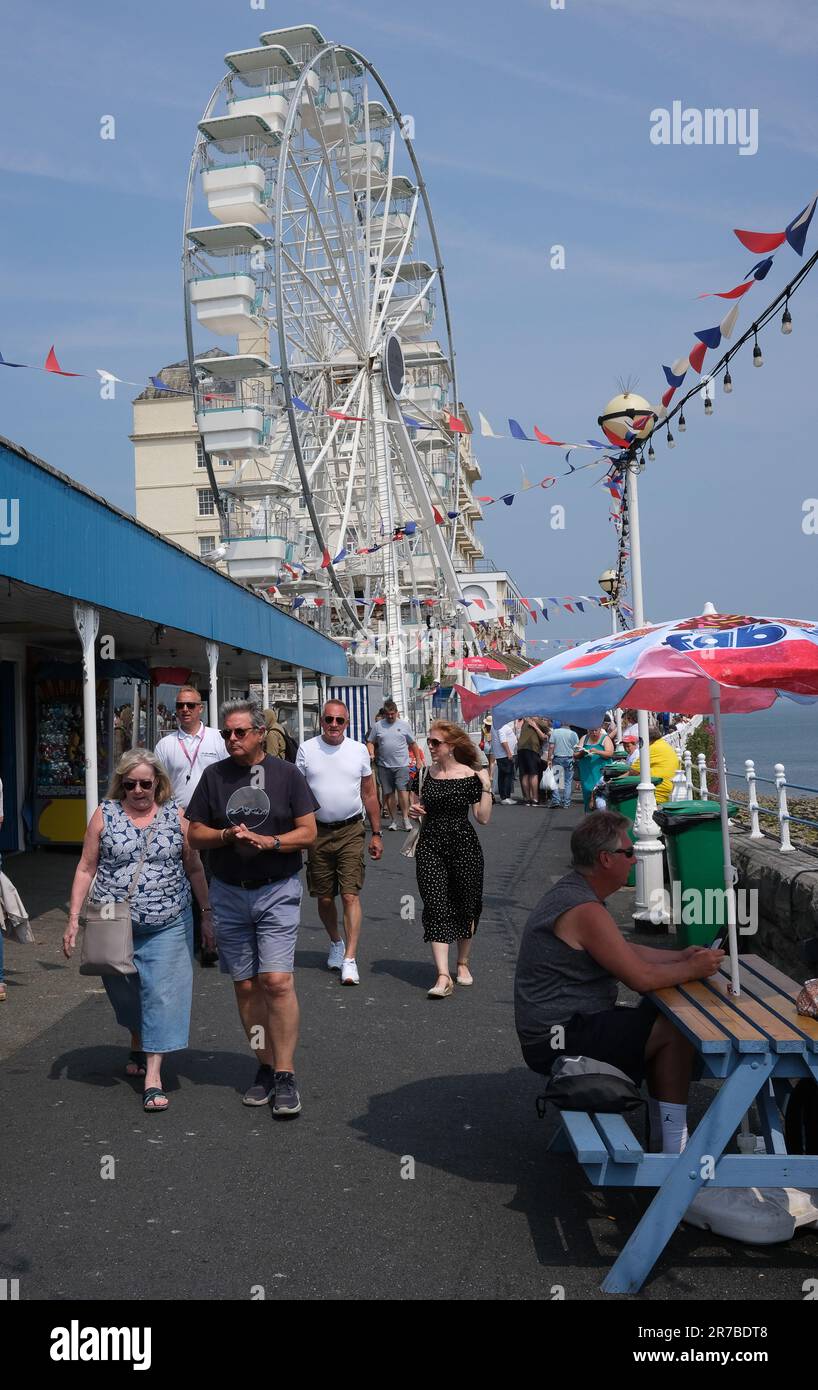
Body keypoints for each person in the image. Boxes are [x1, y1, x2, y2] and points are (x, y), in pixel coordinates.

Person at [514, 811, 725, 1153]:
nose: (635, 861)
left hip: (557, 1028)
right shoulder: (584, 909)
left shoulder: (573, 892)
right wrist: (694, 969)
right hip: (557, 1037)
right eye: (629, 853)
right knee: (674, 1031)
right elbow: (640, 979)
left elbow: (621, 949)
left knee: (659, 1021)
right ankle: (674, 1150)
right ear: (605, 859)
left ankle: (667, 1140)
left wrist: (682, 956)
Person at [186, 701, 318, 1116]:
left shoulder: (287, 775)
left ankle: (285, 1074)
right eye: (226, 733)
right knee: (245, 985)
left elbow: (309, 832)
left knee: (276, 981)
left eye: (240, 732)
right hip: (227, 891)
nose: (231, 740)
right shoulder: (214, 776)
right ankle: (264, 1067)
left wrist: (272, 842)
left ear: (261, 732)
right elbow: (194, 833)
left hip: (276, 889)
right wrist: (226, 835)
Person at [63, 749, 210, 1112]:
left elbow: (194, 868)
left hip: (168, 922)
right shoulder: (105, 815)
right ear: (121, 785)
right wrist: (73, 918)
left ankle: (153, 1076)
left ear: (158, 783)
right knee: (125, 992)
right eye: (131, 784)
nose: (139, 791)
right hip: (113, 920)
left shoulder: (177, 817)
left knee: (161, 993)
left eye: (146, 783)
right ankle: (138, 1037)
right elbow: (86, 867)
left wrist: (207, 914)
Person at [295, 700, 383, 986]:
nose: (334, 725)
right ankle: (335, 942)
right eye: (329, 720)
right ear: (322, 721)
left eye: (339, 721)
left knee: (349, 895)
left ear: (347, 723)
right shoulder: (307, 749)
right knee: (323, 897)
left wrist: (377, 832)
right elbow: (296, 795)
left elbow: (369, 794)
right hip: (316, 832)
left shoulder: (358, 750)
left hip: (350, 830)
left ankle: (350, 959)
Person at [410, 720, 493, 998]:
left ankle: (462, 962)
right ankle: (443, 975)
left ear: (451, 746)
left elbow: (482, 818)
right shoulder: (424, 774)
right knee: (435, 905)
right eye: (429, 742)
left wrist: (486, 786)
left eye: (436, 742)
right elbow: (414, 806)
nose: (430, 746)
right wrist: (414, 811)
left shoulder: (471, 775)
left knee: (466, 904)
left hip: (464, 846)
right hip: (430, 846)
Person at [155, 686, 227, 967]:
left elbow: (226, 779)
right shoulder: (166, 744)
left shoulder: (216, 740)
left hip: (210, 822)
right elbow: (159, 786)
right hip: (177, 821)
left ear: (201, 708)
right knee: (183, 883)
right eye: (180, 705)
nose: (185, 710)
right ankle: (193, 941)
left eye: (190, 705)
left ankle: (213, 939)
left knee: (212, 881)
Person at [366, 700, 423, 833]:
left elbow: (413, 744)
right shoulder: (378, 726)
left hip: (402, 764)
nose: (390, 717)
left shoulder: (404, 725)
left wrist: (418, 760)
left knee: (403, 792)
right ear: (384, 713)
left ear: (397, 713)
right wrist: (371, 752)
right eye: (388, 714)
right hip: (384, 766)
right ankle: (393, 821)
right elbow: (370, 741)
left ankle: (405, 819)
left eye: (392, 714)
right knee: (389, 794)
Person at [631, 726, 681, 805]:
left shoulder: (652, 749)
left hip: (656, 791)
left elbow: (633, 772)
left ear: (646, 738)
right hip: (668, 790)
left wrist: (613, 781)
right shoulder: (664, 745)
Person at [575, 723, 615, 812]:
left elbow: (610, 753)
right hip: (587, 773)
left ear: (600, 729)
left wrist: (597, 751)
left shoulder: (605, 738)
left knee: (600, 794)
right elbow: (575, 755)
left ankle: (602, 819)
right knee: (588, 793)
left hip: (600, 772)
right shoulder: (584, 738)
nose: (593, 732)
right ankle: (589, 818)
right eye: (591, 730)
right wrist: (582, 753)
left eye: (595, 730)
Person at [516, 717, 551, 806]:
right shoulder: (538, 721)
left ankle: (527, 799)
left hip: (521, 749)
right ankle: (535, 798)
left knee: (525, 774)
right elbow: (549, 734)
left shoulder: (526, 722)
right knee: (533, 773)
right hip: (531, 749)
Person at [547, 720, 579, 809]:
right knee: (568, 782)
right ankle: (566, 803)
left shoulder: (555, 732)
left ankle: (556, 800)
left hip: (557, 758)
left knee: (556, 781)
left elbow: (551, 747)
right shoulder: (573, 734)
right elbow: (577, 747)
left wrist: (549, 759)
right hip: (569, 758)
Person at [496, 718, 518, 804]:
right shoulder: (501, 727)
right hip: (505, 755)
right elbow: (503, 741)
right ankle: (506, 797)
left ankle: (504, 797)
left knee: (503, 776)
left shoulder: (498, 726)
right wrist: (509, 753)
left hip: (502, 755)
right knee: (507, 776)